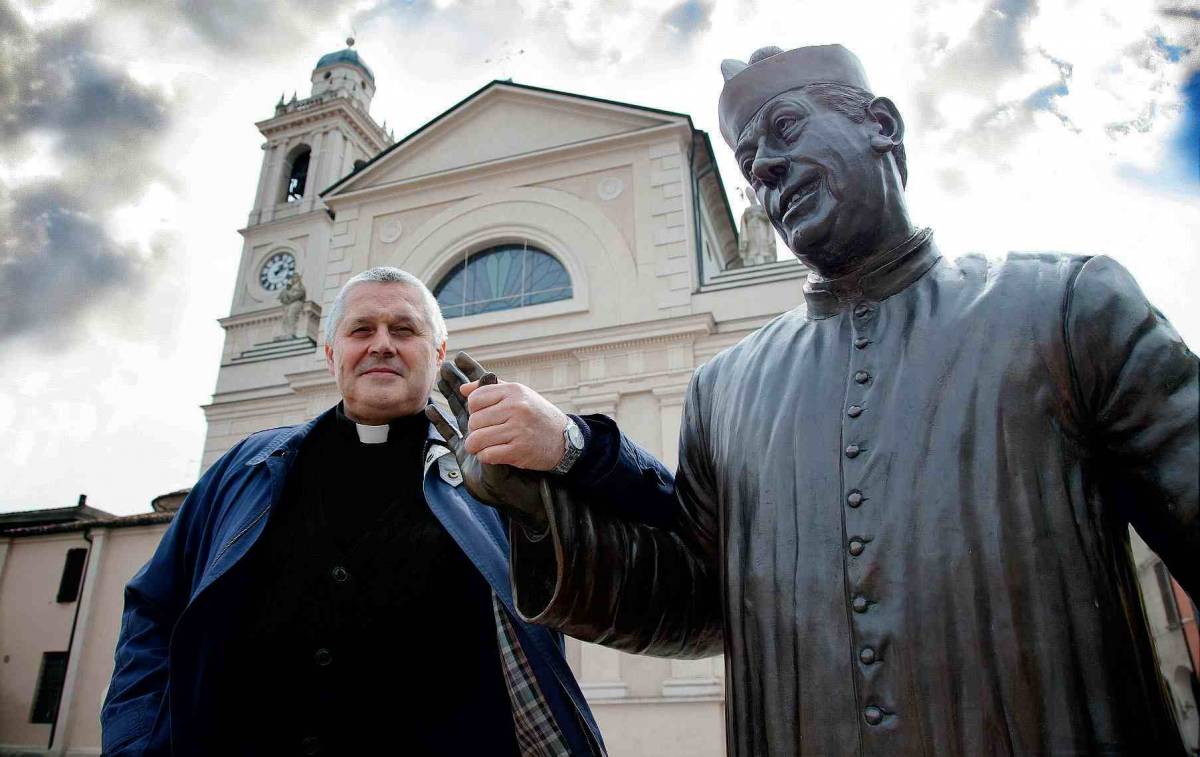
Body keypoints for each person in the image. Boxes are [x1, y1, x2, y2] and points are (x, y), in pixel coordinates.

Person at [430, 44, 1200, 756]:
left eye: (786, 127)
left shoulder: (1065, 305)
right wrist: (537, 508)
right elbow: (697, 601)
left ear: (882, 126)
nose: (765, 167)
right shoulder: (723, 389)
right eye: (749, 161)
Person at [101, 267, 604, 757]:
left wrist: (565, 455)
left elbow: (603, 586)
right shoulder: (245, 467)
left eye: (404, 330)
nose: (381, 343)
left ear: (439, 354)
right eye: (361, 329)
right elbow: (153, 610)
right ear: (330, 354)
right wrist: (136, 738)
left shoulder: (501, 478)